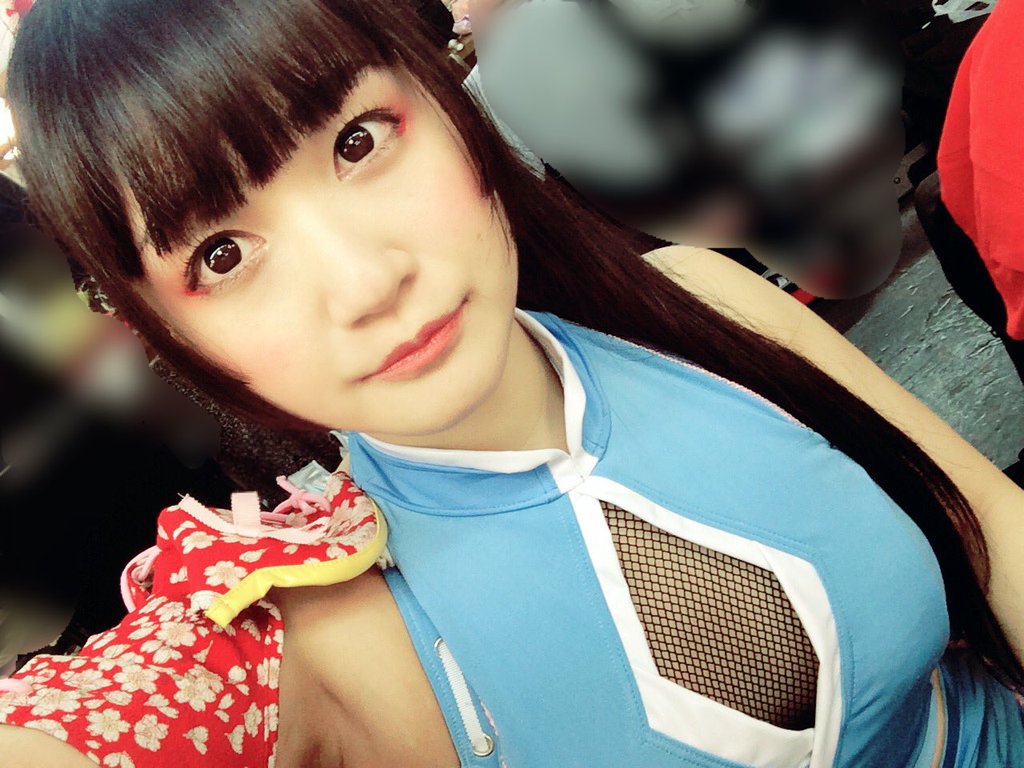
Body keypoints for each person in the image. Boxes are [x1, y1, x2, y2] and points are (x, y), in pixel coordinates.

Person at [1, 1, 1022, 766]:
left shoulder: (700, 299)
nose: (366, 283)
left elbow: (983, 518)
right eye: (222, 256)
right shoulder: (340, 639)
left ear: (448, 100)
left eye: (358, 141)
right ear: (171, 337)